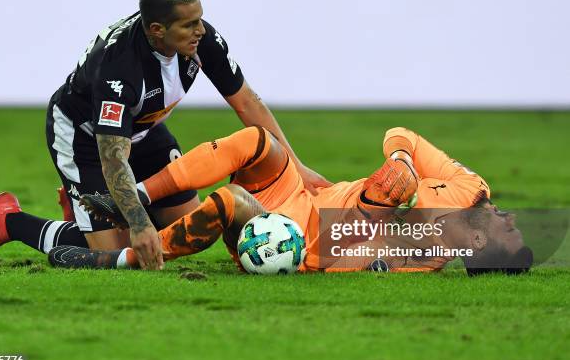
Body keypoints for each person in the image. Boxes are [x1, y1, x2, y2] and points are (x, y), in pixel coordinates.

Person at [0, 0, 329, 270]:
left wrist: (297, 166)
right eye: (189, 25)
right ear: (156, 30)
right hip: (86, 138)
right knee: (124, 249)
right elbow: (113, 157)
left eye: (200, 19)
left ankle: (92, 209)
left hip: (144, 131)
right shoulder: (120, 67)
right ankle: (9, 222)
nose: (201, 31)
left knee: (191, 228)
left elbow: (247, 102)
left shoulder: (201, 40)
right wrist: (137, 224)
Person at [57, 126, 532, 275]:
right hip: (306, 193)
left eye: (507, 230)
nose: (509, 216)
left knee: (231, 201)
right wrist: (404, 159)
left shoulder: (419, 259)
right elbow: (400, 134)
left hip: (292, 235)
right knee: (258, 141)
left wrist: (374, 206)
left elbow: (329, 257)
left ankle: (118, 260)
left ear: (476, 243)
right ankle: (133, 198)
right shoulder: (473, 189)